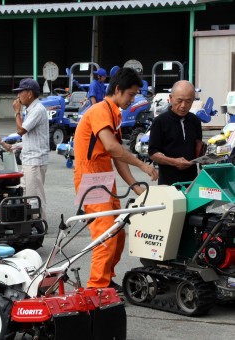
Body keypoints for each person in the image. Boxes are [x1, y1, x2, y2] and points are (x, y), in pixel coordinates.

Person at [73, 67, 158, 292]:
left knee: (118, 233)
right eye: (130, 95)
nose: (132, 100)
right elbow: (112, 147)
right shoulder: (100, 110)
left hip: (102, 177)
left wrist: (134, 185)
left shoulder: (114, 113)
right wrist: (142, 165)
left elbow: (116, 154)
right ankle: (96, 289)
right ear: (118, 89)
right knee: (106, 235)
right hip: (90, 177)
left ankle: (106, 279)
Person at [148, 80, 203, 185]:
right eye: (179, 100)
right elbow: (153, 153)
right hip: (168, 182)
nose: (183, 105)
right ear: (171, 98)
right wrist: (174, 162)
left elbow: (198, 146)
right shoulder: (160, 122)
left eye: (188, 101)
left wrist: (204, 157)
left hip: (191, 181)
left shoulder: (195, 121)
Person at [12, 78, 49, 219]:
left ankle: (39, 225)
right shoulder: (31, 109)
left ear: (29, 93)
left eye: (21, 92)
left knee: (34, 196)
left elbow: (21, 130)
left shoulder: (37, 109)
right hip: (29, 159)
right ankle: (31, 223)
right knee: (27, 194)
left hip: (35, 160)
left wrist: (17, 112)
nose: (18, 96)